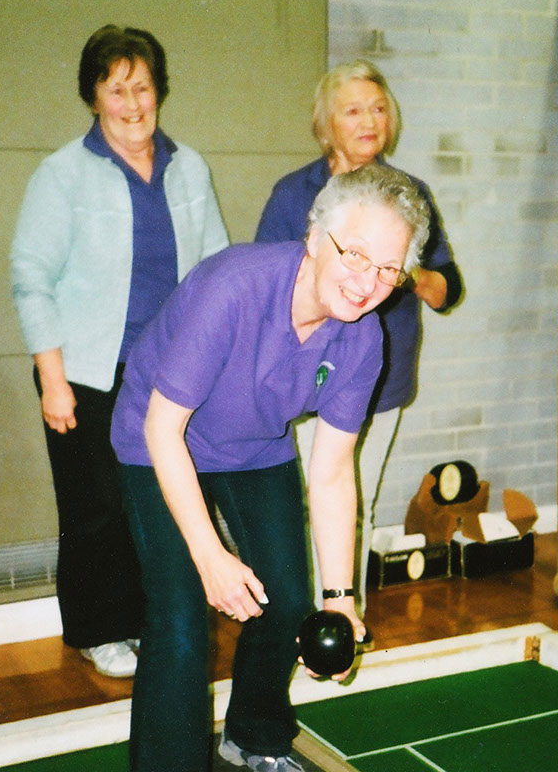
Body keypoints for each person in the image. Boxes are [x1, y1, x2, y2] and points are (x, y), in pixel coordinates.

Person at [111, 163, 429, 771]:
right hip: (158, 439)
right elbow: (162, 428)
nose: (368, 284)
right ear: (314, 237)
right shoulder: (234, 287)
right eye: (356, 255)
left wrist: (339, 598)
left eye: (389, 269)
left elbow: (333, 471)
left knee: (287, 603)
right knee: (180, 613)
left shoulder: (363, 339)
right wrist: (211, 558)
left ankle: (254, 735)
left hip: (254, 445)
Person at [10, 25, 229, 678]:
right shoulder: (64, 174)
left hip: (170, 371)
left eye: (143, 87)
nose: (132, 103)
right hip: (85, 373)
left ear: (159, 90)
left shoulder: (188, 167)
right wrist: (53, 380)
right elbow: (31, 275)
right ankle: (96, 630)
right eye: (116, 89)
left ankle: (149, 619)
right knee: (96, 509)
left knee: (164, 501)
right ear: (94, 97)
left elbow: (215, 266)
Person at [255, 60, 462, 613]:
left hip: (377, 379)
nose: (370, 119)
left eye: (378, 107)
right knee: (299, 502)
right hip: (299, 380)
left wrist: (408, 272)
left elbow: (447, 289)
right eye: (353, 109)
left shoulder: (409, 194)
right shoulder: (291, 194)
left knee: (352, 499)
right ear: (326, 124)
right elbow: (268, 290)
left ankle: (343, 621)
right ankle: (290, 619)